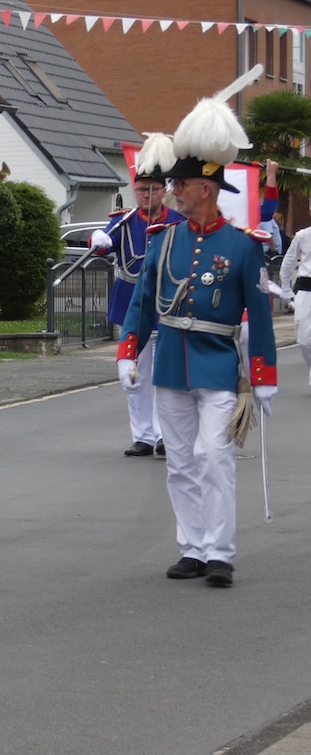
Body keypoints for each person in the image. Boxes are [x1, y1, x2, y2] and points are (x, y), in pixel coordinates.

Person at [117, 69, 277, 588]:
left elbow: (260, 313)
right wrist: (127, 351)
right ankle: (192, 546)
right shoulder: (163, 240)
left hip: (218, 366)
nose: (172, 192)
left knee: (214, 455)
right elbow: (143, 303)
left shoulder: (243, 246)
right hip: (170, 365)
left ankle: (220, 553)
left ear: (205, 188)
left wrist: (264, 375)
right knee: (182, 462)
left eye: (180, 184)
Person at [89, 132, 184, 458]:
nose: (146, 194)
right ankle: (142, 435)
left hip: (165, 306)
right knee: (135, 374)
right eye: (141, 189)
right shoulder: (123, 221)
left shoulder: (178, 221)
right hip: (130, 303)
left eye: (153, 189)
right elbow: (105, 248)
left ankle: (162, 435)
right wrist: (98, 241)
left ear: (164, 190)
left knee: (163, 375)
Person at [279, 213, 311, 384]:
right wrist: (286, 291)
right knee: (304, 340)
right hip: (306, 290)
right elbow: (288, 262)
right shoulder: (303, 235)